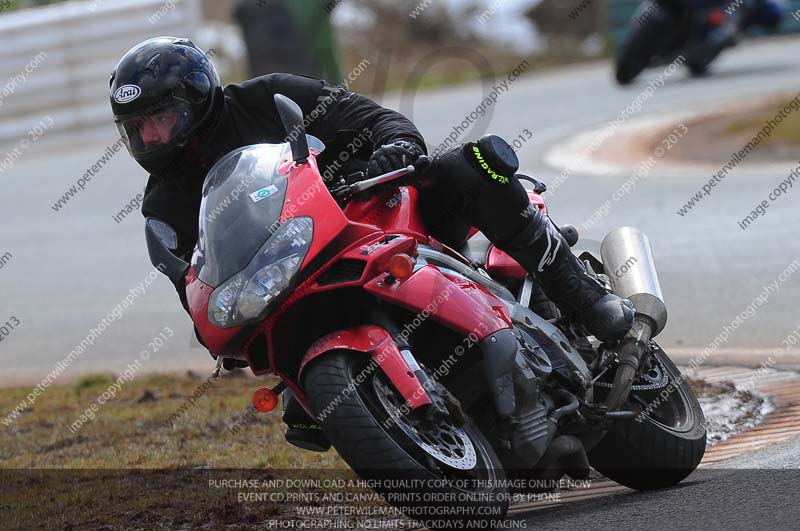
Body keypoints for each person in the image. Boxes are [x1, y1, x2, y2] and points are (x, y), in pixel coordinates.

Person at [109, 37, 633, 452]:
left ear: (198, 96)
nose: (151, 137)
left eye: (160, 118)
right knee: (301, 407)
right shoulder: (164, 207)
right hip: (294, 278)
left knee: (468, 167)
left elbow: (373, 118)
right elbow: (194, 287)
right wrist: (217, 320)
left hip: (377, 214)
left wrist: (394, 148)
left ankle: (583, 296)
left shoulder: (269, 97)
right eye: (138, 128)